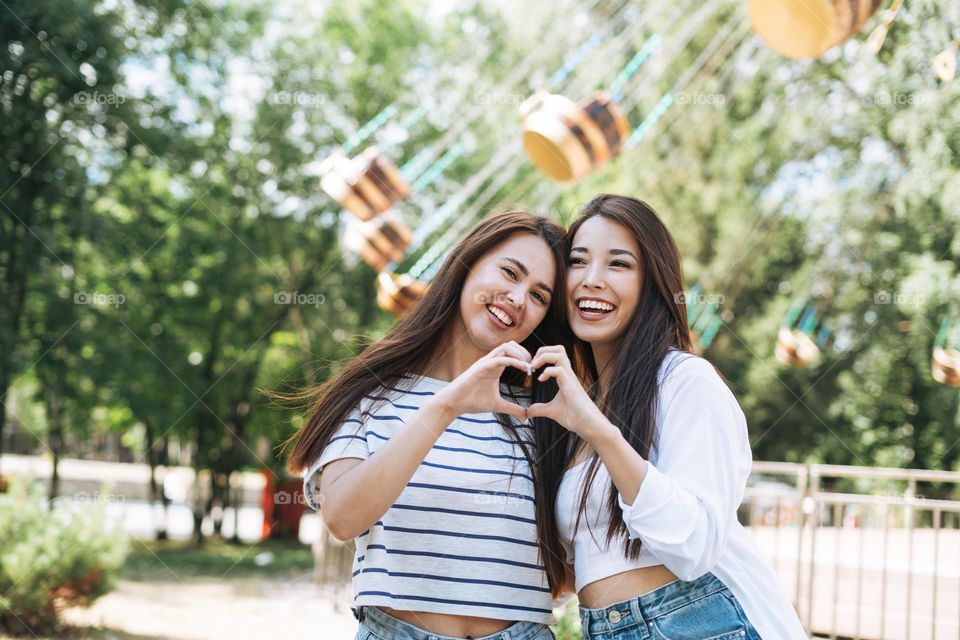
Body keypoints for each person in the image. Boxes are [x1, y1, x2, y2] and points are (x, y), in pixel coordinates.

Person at [529, 194, 807, 639]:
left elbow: (694, 544)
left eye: (618, 264)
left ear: (652, 283)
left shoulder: (684, 382)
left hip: (702, 620)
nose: (592, 280)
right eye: (578, 263)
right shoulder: (574, 405)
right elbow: (569, 573)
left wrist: (600, 433)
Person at [285, 210, 572, 640]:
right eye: (510, 272)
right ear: (467, 263)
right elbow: (341, 518)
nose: (517, 297)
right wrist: (447, 405)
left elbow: (574, 562)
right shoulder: (371, 391)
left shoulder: (545, 413)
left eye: (539, 296)